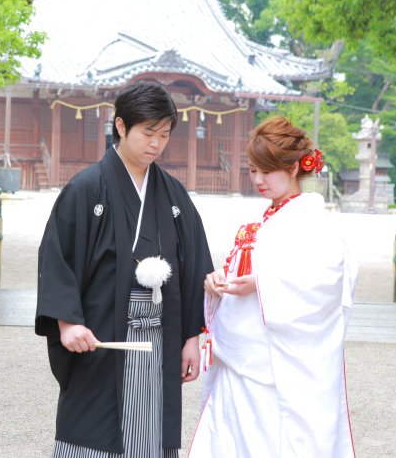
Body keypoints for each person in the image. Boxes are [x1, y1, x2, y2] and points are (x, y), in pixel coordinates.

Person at [36, 81, 215, 458]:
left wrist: (189, 339)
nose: (156, 143)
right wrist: (67, 323)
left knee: (151, 430)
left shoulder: (173, 195)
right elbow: (57, 258)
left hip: (160, 339)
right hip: (100, 336)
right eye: (148, 132)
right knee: (94, 431)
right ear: (121, 126)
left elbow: (194, 265)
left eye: (164, 135)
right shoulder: (87, 188)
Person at [188, 116, 358, 458]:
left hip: (275, 364)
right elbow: (248, 269)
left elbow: (329, 280)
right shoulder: (271, 216)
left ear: (294, 167)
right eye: (253, 170)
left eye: (267, 171)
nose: (258, 180)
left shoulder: (311, 219)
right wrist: (217, 279)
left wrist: (262, 284)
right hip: (239, 350)